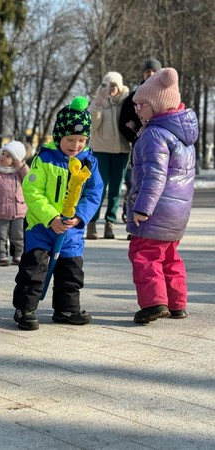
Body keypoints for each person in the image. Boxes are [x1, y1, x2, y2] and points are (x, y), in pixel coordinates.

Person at [12, 97, 103, 331]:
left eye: (81, 140)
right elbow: (32, 191)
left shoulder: (89, 162)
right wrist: (51, 217)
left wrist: (80, 217)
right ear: (58, 136)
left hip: (71, 229)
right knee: (34, 269)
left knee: (71, 271)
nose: (76, 145)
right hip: (41, 227)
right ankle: (25, 308)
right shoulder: (44, 160)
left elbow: (94, 192)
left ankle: (66, 309)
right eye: (70, 139)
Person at [126, 68, 197, 324]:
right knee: (170, 256)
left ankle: (154, 303)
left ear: (158, 105)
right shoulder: (183, 136)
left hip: (155, 210)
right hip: (177, 212)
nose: (137, 109)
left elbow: (154, 176)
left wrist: (142, 208)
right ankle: (177, 303)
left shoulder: (155, 134)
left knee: (144, 254)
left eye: (141, 104)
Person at [87, 71, 131, 240]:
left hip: (121, 151)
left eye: (114, 86)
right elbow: (92, 126)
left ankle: (109, 223)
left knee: (115, 190)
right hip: (100, 151)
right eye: (107, 85)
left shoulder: (126, 102)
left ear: (120, 87)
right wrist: (98, 103)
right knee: (98, 188)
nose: (111, 89)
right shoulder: (98, 103)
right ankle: (92, 223)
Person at [118, 58, 162, 228]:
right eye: (147, 71)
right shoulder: (134, 97)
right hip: (139, 145)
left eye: (153, 71)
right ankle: (130, 215)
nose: (150, 74)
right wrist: (136, 134)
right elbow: (123, 122)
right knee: (135, 181)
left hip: (160, 145)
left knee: (156, 181)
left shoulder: (164, 95)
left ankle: (154, 218)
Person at [0, 140, 29, 266]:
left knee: (18, 236)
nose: (3, 157)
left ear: (15, 160)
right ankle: (0, 256)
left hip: (18, 210)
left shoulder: (19, 173)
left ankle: (18, 255)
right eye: (2, 154)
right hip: (0, 211)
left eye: (8, 156)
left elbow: (30, 179)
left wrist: (21, 166)